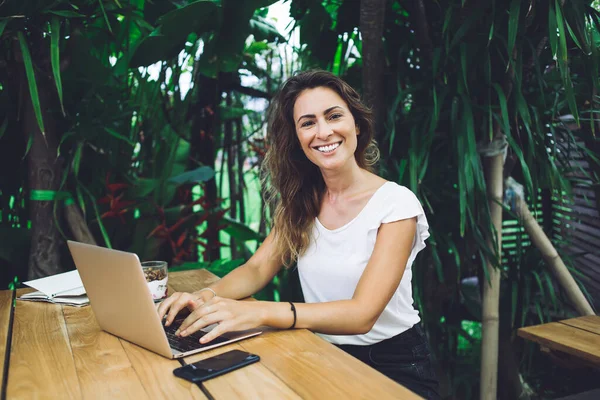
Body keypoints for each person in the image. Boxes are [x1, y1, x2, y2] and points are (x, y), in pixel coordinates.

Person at [157, 70, 440, 399]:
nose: (323, 131)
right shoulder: (301, 203)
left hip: (394, 365)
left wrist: (261, 311)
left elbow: (362, 314)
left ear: (357, 125)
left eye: (334, 116)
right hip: (320, 354)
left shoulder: (395, 204)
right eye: (308, 123)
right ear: (297, 137)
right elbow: (257, 268)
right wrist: (205, 298)